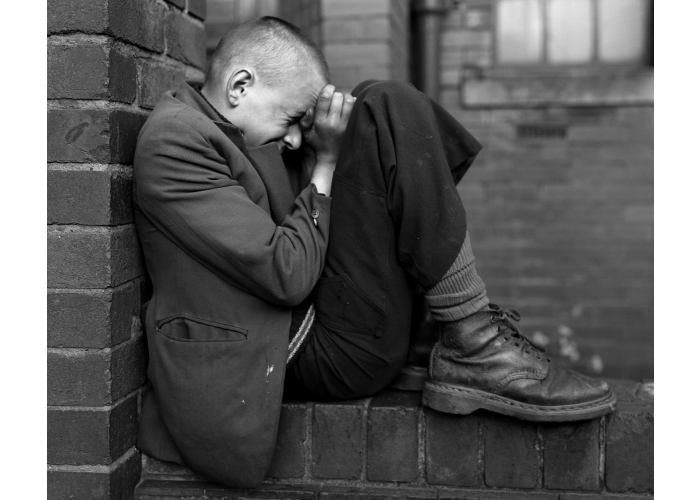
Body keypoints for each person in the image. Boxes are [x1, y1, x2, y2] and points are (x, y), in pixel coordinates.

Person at [133, 17, 615, 489]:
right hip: (287, 352)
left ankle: (466, 331)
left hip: (320, 320)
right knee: (385, 104)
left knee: (377, 103)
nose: (297, 138)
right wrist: (324, 163)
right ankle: (472, 340)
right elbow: (286, 272)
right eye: (292, 120)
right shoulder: (178, 140)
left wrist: (336, 145)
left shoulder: (236, 128)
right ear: (240, 86)